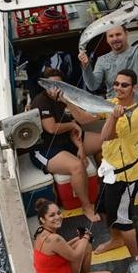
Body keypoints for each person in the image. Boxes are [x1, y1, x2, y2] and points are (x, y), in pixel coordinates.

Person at [78, 7, 138, 221]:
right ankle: (117, 203)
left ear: (126, 35)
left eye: (119, 34)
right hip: (115, 117)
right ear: (106, 39)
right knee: (113, 159)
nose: (115, 38)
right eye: (111, 35)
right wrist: (86, 66)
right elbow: (92, 84)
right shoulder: (103, 61)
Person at [28, 68, 101, 222]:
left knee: (104, 141)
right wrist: (73, 126)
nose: (56, 88)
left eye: (59, 84)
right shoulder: (40, 101)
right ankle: (87, 206)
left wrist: (81, 148)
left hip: (70, 140)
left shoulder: (68, 98)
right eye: (52, 85)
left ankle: (103, 186)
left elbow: (80, 121)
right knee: (77, 167)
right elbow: (52, 128)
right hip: (47, 148)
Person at [96, 69, 138, 258]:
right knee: (103, 210)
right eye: (116, 84)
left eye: (124, 85)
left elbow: (105, 136)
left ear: (134, 88)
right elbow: (85, 117)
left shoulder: (134, 116)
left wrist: (113, 116)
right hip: (109, 170)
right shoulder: (113, 103)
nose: (119, 88)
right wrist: (67, 100)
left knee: (124, 220)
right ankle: (115, 240)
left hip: (126, 177)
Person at [32, 198, 117, 273]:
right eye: (52, 215)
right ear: (42, 220)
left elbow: (61, 249)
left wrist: (79, 239)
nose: (58, 217)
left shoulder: (40, 233)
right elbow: (76, 256)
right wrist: (86, 237)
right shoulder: (55, 239)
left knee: (85, 246)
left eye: (59, 213)